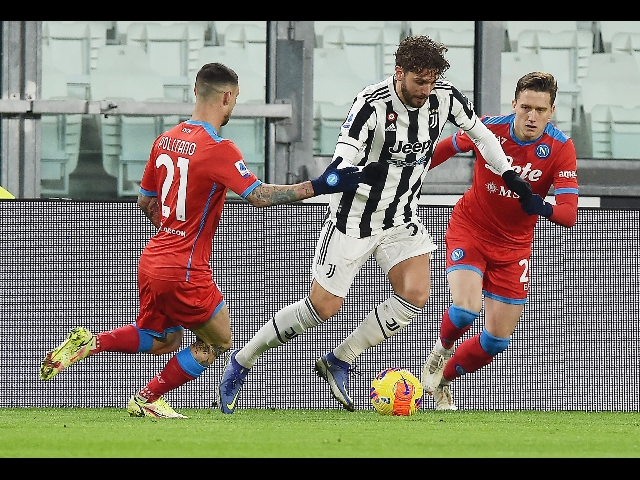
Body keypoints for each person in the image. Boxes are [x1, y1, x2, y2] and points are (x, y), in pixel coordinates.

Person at [218, 35, 533, 413]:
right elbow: (344, 154)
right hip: (354, 218)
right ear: (399, 73)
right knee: (322, 308)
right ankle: (242, 361)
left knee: (416, 293)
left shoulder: (445, 97)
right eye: (419, 81)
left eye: (431, 81)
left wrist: (507, 172)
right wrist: (342, 171)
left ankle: (339, 359)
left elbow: (480, 134)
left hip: (401, 217)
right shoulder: (371, 104)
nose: (426, 90)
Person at [39, 62, 370, 418]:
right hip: (184, 267)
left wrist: (174, 228)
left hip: (153, 259)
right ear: (227, 96)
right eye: (235, 99)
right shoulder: (219, 148)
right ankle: (147, 398)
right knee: (219, 341)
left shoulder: (164, 140)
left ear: (196, 90)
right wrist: (322, 185)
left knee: (163, 339)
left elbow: (146, 201)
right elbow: (259, 196)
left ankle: (92, 342)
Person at [420, 71, 579, 410]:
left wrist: (540, 206)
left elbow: (568, 214)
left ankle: (441, 382)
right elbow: (447, 147)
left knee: (495, 341)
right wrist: (408, 176)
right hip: (471, 229)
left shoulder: (561, 147)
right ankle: (440, 352)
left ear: (551, 111)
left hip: (514, 248)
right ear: (514, 104)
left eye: (540, 110)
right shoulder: (488, 128)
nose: (532, 116)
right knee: (465, 310)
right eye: (526, 108)